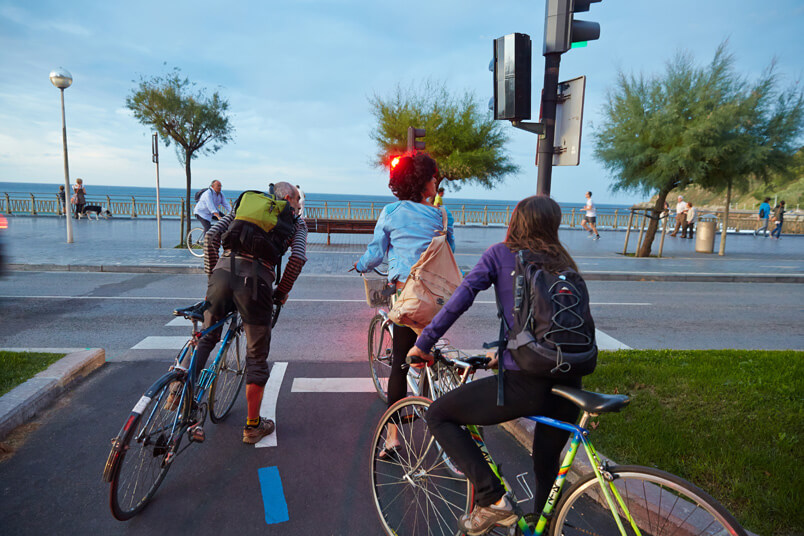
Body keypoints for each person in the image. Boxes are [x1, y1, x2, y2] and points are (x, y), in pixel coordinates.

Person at [407, 195, 583, 534]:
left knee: (439, 414)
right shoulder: (564, 262)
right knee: (545, 465)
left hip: (527, 384)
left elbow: (459, 301)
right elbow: (552, 328)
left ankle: (492, 499)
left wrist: (423, 343)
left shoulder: (501, 254)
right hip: (569, 381)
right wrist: (501, 353)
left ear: (515, 221)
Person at [180, 182, 307, 443]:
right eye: (297, 202)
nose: (297, 208)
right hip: (257, 284)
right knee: (256, 356)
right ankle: (252, 426)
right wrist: (280, 292)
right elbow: (297, 258)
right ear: (287, 198)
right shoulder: (296, 222)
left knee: (207, 336)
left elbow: (211, 237)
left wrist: (213, 278)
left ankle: (179, 392)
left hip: (222, 275)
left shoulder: (243, 205)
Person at [354, 153, 455, 456]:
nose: (436, 182)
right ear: (423, 182)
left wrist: (359, 265)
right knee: (427, 353)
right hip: (439, 302)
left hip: (408, 299)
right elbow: (449, 252)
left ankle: (392, 438)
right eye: (433, 177)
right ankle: (430, 390)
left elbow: (375, 254)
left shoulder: (391, 212)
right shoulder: (442, 216)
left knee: (399, 363)